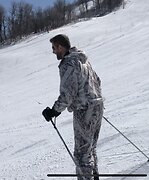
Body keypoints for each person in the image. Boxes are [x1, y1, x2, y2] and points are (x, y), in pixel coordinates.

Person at [42, 34, 104, 180]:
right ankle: (94, 176)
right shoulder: (83, 59)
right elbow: (97, 80)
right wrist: (93, 99)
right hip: (97, 105)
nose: (53, 51)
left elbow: (68, 93)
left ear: (61, 47)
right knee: (90, 148)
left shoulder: (68, 63)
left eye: (54, 48)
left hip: (85, 110)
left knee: (82, 153)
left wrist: (54, 111)